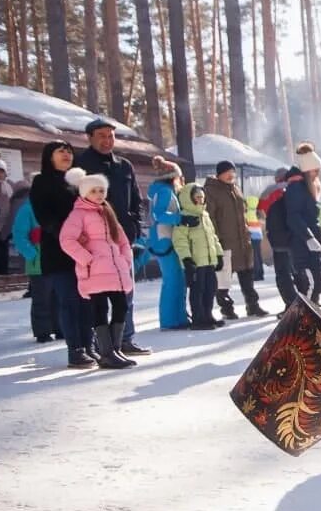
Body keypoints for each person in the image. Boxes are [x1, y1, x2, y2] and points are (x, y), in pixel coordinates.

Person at [76, 120, 149, 355]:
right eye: (101, 135)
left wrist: (134, 224)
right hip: (95, 242)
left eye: (110, 135)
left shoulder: (124, 166)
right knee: (98, 296)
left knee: (125, 291)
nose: (107, 140)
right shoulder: (81, 165)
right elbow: (75, 203)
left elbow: (136, 200)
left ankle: (125, 339)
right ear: (89, 137)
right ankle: (101, 344)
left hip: (122, 240)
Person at [60, 168, 136, 369]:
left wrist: (125, 259)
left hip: (116, 271)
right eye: (94, 191)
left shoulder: (107, 211)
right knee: (100, 309)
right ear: (84, 193)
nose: (99, 194)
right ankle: (106, 352)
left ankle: (115, 348)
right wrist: (87, 259)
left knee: (121, 306)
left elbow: (122, 240)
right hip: (95, 271)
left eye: (101, 190)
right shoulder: (79, 214)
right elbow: (67, 239)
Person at [31, 142, 97, 367]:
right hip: (59, 252)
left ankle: (90, 345)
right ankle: (75, 350)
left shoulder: (81, 183)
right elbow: (45, 217)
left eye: (69, 151)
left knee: (87, 301)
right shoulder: (42, 181)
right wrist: (70, 235)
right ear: (49, 157)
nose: (67, 154)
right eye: (61, 151)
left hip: (86, 251)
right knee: (69, 300)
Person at [205, 161, 270, 320]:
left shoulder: (236, 189)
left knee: (247, 275)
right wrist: (216, 240)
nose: (231, 175)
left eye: (232, 172)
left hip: (242, 241)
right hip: (225, 242)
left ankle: (252, 305)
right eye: (227, 172)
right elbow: (210, 218)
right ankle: (226, 308)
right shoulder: (211, 191)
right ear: (219, 174)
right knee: (224, 279)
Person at [11, 176, 61, 342]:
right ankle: (43, 331)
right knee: (42, 298)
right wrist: (32, 254)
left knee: (59, 296)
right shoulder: (28, 209)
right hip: (38, 262)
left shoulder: (57, 207)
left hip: (57, 259)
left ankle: (61, 327)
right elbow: (19, 235)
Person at [146, 156, 190, 329]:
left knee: (177, 280)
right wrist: (180, 218)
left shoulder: (165, 190)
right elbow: (159, 214)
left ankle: (179, 318)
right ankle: (170, 320)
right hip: (164, 240)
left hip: (167, 239)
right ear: (173, 176)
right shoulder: (165, 191)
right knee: (172, 281)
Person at [283, 143, 321, 305]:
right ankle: (304, 318)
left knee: (318, 285)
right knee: (310, 286)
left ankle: (312, 315)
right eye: (315, 171)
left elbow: (314, 217)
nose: (317, 174)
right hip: (301, 245)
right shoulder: (296, 188)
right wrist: (308, 237)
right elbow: (293, 217)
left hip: (313, 244)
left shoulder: (309, 188)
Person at [175, 182, 225, 329]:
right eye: (197, 197)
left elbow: (213, 236)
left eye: (202, 197)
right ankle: (198, 318)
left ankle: (208, 315)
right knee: (198, 290)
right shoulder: (184, 218)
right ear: (189, 198)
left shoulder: (205, 215)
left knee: (211, 288)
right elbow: (180, 240)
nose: (200, 200)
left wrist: (219, 254)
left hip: (208, 261)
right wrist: (187, 259)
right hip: (196, 262)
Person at [259, 169, 298, 310]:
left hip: (277, 238)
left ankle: (290, 303)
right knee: (298, 271)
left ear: (276, 178)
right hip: (295, 237)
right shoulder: (297, 189)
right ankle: (305, 302)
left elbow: (262, 213)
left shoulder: (268, 191)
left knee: (283, 273)